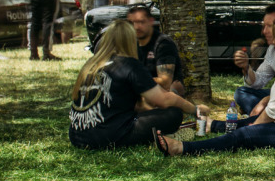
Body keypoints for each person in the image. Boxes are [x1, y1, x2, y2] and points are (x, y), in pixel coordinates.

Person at [157, 12, 275, 155]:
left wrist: (253, 127)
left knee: (242, 135)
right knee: (251, 120)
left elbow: (273, 114)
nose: (272, 38)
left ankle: (182, 148)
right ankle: (212, 125)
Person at [69, 20, 206, 150]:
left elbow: (133, 105)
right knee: (173, 113)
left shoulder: (91, 64)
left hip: (78, 137)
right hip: (109, 135)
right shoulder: (129, 64)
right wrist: (195, 109)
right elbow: (165, 99)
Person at [126, 4, 186, 97]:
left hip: (164, 95)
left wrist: (131, 80)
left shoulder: (163, 43)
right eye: (131, 23)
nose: (136, 27)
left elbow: (165, 82)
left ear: (151, 21)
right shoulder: (131, 43)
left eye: (141, 22)